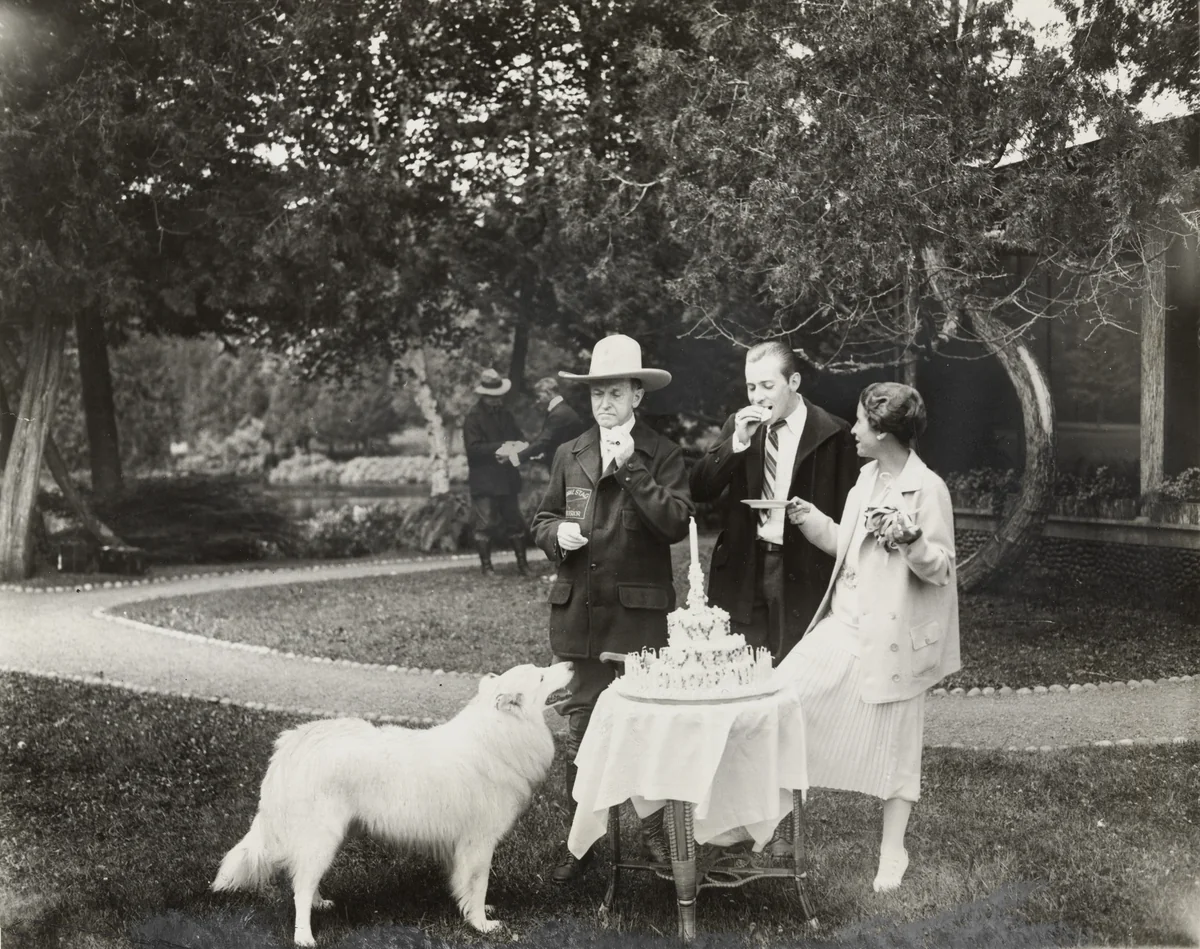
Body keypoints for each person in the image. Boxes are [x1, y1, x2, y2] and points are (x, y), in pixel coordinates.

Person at [775, 381, 960, 892]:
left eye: (859, 422)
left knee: (897, 751)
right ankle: (776, 827)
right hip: (841, 627)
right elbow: (847, 545)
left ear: (883, 432)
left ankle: (892, 851)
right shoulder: (864, 479)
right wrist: (811, 521)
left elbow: (941, 569)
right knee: (781, 700)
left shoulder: (929, 489)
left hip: (893, 639)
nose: (852, 430)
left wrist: (910, 538)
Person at [532, 334, 694, 882]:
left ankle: (654, 842)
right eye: (598, 392)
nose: (605, 403)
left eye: (617, 392)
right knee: (582, 736)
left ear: (637, 396)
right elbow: (541, 518)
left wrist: (633, 472)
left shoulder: (662, 453)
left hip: (636, 623)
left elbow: (675, 523)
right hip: (580, 618)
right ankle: (579, 848)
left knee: (642, 733)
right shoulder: (570, 452)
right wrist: (558, 536)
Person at [689, 341, 859, 663]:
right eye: (751, 387)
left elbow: (847, 516)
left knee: (795, 672)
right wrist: (737, 442)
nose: (757, 397)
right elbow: (700, 489)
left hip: (802, 569)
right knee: (742, 671)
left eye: (768, 385)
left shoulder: (833, 433)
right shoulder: (738, 427)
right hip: (744, 567)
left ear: (793, 383)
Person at [462, 368, 531, 576]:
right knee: (485, 524)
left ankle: (523, 565)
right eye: (493, 397)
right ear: (484, 395)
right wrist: (502, 445)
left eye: (499, 396)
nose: (497, 400)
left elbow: (520, 437)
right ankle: (487, 568)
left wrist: (517, 447)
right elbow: (473, 450)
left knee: (515, 522)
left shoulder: (506, 414)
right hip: (485, 480)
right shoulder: (472, 418)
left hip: (508, 478)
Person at [510, 377, 588, 468]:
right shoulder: (561, 410)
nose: (537, 401)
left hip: (568, 467)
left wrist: (515, 457)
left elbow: (543, 442)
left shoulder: (559, 413)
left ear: (548, 393)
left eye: (539, 396)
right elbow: (552, 441)